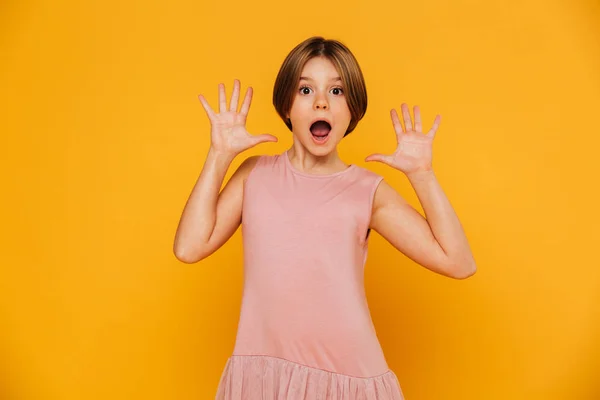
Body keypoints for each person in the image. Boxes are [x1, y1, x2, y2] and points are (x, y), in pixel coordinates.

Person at [173, 36, 477, 399]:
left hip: (347, 381)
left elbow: (458, 262)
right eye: (305, 89)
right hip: (264, 382)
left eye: (336, 91)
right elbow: (189, 247)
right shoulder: (254, 174)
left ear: (352, 110)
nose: (321, 101)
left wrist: (423, 176)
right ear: (287, 105)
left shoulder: (367, 190)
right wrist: (219, 155)